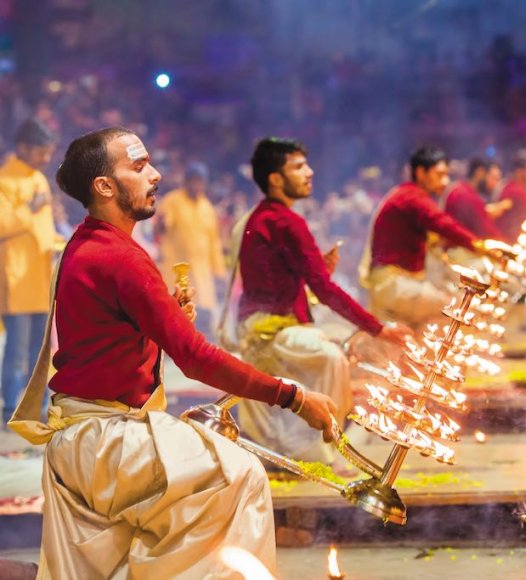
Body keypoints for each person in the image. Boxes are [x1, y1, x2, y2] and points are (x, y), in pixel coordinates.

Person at [7, 127, 336, 578]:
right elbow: (196, 358)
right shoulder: (119, 257)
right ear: (104, 186)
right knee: (239, 476)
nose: (156, 175)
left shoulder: (88, 244)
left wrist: (166, 321)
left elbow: (107, 339)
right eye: (139, 167)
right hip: (106, 442)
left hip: (83, 440)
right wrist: (293, 397)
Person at [233, 137, 411, 467]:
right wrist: (379, 328)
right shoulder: (285, 221)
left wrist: (314, 275)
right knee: (331, 358)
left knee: (335, 350)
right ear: (275, 178)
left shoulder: (266, 217)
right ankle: (318, 448)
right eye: (299, 167)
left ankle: (314, 443)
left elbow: (286, 282)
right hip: (269, 331)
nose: (309, 172)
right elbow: (325, 291)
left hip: (270, 325)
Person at [362, 146, 488, 327]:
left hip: (397, 285)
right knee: (456, 309)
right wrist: (481, 246)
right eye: (439, 174)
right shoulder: (412, 198)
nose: (445, 182)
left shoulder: (408, 195)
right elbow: (444, 224)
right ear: (421, 172)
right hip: (395, 286)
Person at [0, 118, 58, 425]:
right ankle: (10, 407)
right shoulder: (4, 180)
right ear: (23, 147)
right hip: (16, 278)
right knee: (18, 349)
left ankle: (33, 407)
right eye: (41, 152)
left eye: (49, 152)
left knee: (39, 353)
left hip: (40, 278)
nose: (46, 159)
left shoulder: (39, 179)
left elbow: (43, 230)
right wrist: (30, 209)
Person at [157, 161, 226, 339]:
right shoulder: (172, 201)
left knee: (203, 313)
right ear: (186, 182)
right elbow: (164, 225)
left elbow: (214, 242)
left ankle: (203, 350)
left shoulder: (207, 207)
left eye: (200, 181)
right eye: (193, 181)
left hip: (202, 273)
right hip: (177, 271)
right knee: (176, 312)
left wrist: (218, 271)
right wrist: (163, 224)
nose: (197, 185)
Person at [443, 158, 507, 241]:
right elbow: (487, 231)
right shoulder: (466, 196)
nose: (495, 185)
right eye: (493, 178)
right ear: (480, 173)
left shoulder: (459, 189)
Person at [494, 150, 526, 243]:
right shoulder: (513, 190)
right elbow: (500, 208)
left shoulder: (520, 188)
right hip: (510, 241)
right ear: (520, 172)